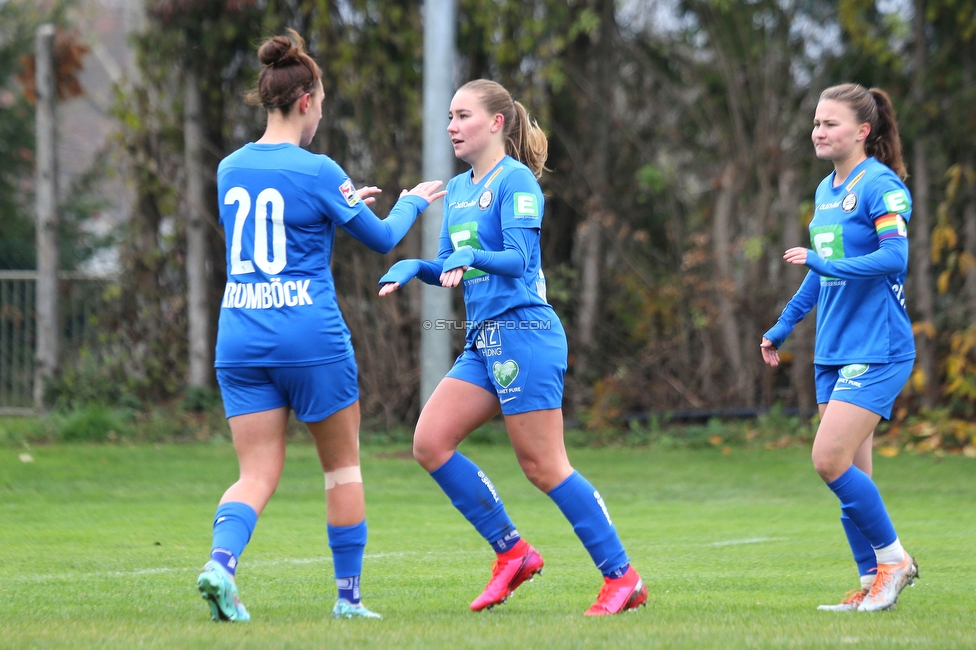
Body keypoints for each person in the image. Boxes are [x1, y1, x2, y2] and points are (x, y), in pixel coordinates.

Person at [195, 30, 446, 623]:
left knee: (255, 472)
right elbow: (382, 237)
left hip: (240, 334)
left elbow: (279, 232)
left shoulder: (230, 169)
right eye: (323, 105)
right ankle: (348, 599)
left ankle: (221, 565)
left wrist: (335, 207)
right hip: (308, 336)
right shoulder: (318, 169)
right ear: (306, 100)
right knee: (342, 467)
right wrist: (410, 201)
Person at [377, 79, 646, 616]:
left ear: (497, 122)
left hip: (525, 331)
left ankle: (623, 578)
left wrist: (469, 256)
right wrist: (418, 267)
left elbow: (519, 260)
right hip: (483, 340)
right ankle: (514, 553)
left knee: (544, 466)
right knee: (430, 442)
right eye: (449, 116)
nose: (451, 125)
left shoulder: (516, 179)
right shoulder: (456, 191)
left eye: (462, 115)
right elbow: (455, 267)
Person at [761, 83, 918, 612]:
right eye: (816, 123)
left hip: (879, 347)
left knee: (829, 460)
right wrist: (783, 325)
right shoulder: (827, 191)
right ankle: (873, 582)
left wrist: (825, 264)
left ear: (863, 131)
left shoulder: (882, 186)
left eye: (830, 123)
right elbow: (819, 275)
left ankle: (896, 562)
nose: (819, 131)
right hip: (832, 350)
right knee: (855, 478)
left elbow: (895, 258)